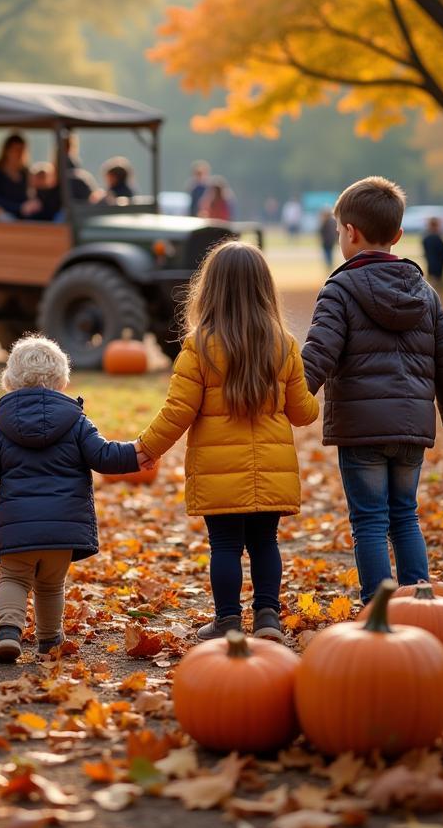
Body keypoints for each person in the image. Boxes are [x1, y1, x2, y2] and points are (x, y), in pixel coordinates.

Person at [300, 176, 443, 605]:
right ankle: (420, 606)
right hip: (412, 427)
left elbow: (318, 353)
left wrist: (289, 397)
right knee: (405, 517)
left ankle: (379, 609)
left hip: (362, 430)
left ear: (350, 233)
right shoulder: (425, 294)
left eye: (340, 231)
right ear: (397, 236)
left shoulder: (339, 289)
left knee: (371, 521)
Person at [136, 242, 319, 641]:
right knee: (265, 543)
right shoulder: (283, 344)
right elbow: (303, 412)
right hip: (270, 471)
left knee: (224, 546)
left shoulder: (199, 347)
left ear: (210, 290)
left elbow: (177, 411)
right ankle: (268, 617)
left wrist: (146, 448)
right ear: (264, 290)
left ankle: (228, 621)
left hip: (218, 474)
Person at [0, 336, 142, 662]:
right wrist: (137, 455)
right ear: (62, 380)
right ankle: (49, 640)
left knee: (14, 579)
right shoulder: (76, 421)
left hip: (17, 531)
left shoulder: (0, 425)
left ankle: (8, 633)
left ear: (10, 380)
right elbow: (104, 456)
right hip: (63, 530)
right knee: (50, 585)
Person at [0, 133, 42, 221]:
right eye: (16, 150)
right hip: (5, 214)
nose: (19, 154)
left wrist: (33, 203)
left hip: (24, 214)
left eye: (22, 150)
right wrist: (19, 207)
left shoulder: (25, 173)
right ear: (7, 151)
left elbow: (29, 196)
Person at [421, 217, 443, 285]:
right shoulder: (437, 238)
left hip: (430, 264)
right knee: (436, 284)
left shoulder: (426, 237)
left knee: (432, 282)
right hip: (438, 264)